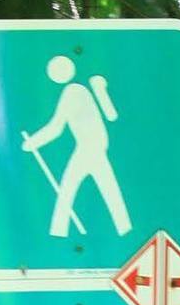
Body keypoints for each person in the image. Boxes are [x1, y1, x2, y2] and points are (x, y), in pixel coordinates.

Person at [22, 54, 132, 237]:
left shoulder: (72, 92)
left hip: (89, 148)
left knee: (68, 190)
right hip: (94, 147)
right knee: (105, 190)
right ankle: (125, 229)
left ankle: (58, 232)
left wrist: (32, 143)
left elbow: (56, 127)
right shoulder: (82, 90)